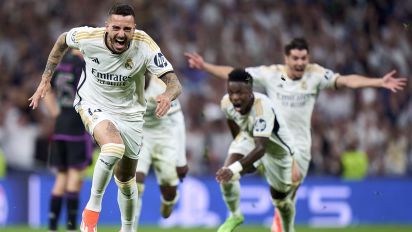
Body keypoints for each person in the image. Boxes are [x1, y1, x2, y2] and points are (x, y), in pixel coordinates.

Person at [185, 38, 407, 232]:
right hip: (262, 134)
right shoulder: (271, 74)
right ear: (286, 58)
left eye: (304, 58)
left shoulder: (316, 75)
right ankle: (237, 215)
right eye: (296, 58)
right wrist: (205, 66)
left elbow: (347, 80)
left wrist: (378, 82)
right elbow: (235, 73)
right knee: (232, 170)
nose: (300, 63)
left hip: (296, 145)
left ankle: (282, 223)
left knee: (284, 200)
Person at [29, 4, 182, 232]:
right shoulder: (89, 37)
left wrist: (168, 96)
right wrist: (45, 78)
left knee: (127, 181)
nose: (121, 34)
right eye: (116, 28)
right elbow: (62, 40)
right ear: (107, 27)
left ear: (134, 29)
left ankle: (128, 229)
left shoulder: (145, 45)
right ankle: (91, 212)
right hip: (93, 104)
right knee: (113, 147)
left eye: (127, 29)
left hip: (130, 114)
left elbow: (174, 82)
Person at [215, 69, 297, 232]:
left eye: (240, 92)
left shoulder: (262, 107)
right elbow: (232, 121)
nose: (235, 97)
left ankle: (288, 229)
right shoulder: (226, 103)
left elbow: (261, 148)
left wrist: (237, 167)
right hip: (250, 137)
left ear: (251, 91)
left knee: (280, 200)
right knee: (226, 175)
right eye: (231, 92)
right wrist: (239, 151)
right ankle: (235, 215)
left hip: (277, 151)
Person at [42, 48, 93, 232]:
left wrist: (56, 113)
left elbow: (47, 90)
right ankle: (71, 226)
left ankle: (52, 225)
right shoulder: (83, 66)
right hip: (77, 127)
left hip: (60, 126)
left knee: (61, 178)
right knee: (74, 177)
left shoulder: (61, 65)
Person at [134, 73, 187, 230]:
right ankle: (130, 227)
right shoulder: (126, 82)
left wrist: (181, 161)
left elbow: (178, 121)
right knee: (134, 184)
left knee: (169, 191)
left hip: (164, 137)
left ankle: (168, 202)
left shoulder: (163, 88)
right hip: (140, 135)